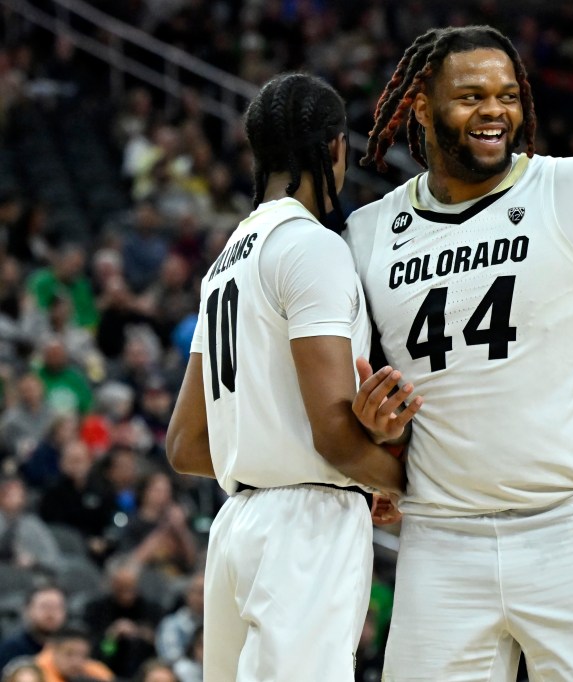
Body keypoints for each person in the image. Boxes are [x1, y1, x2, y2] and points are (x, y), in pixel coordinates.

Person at [347, 24, 573, 681]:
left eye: (507, 95)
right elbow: (367, 393)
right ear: (420, 104)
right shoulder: (366, 235)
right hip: (440, 541)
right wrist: (376, 438)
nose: (495, 110)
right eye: (471, 96)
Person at [165, 72, 409, 681]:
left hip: (236, 529)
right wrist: (404, 482)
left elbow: (186, 446)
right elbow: (332, 433)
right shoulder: (311, 247)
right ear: (334, 147)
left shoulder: (226, 262)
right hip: (306, 529)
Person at [0, 587, 66, 670]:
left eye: (57, 607)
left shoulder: (75, 651)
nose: (51, 613)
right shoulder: (10, 651)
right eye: (44, 606)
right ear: (27, 610)